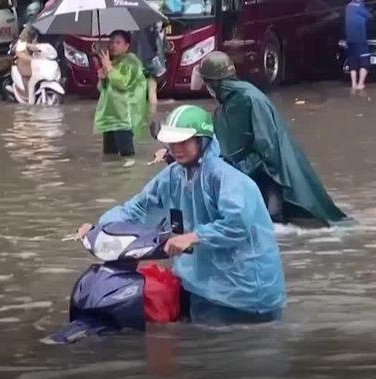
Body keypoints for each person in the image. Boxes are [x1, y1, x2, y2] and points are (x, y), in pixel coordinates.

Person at [77, 105, 286, 325]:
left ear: (201, 140)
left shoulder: (228, 179)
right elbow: (137, 208)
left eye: (183, 142)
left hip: (245, 295)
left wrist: (193, 237)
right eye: (172, 142)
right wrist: (100, 228)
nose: (176, 148)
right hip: (199, 284)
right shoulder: (172, 176)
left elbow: (237, 225)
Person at [176, 51, 350, 227]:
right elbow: (220, 142)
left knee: (273, 221)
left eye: (206, 82)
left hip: (269, 172)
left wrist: (237, 170)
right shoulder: (233, 101)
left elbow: (262, 146)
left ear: (214, 82)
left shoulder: (245, 99)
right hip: (260, 171)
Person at [94, 30, 149, 165]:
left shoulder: (132, 62)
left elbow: (123, 83)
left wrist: (109, 67)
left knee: (127, 155)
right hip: (110, 116)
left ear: (127, 45)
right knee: (109, 156)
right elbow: (102, 90)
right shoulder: (113, 63)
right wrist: (103, 77)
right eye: (111, 42)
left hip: (124, 116)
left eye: (118, 42)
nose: (113, 45)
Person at [345, 0, 372, 91]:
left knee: (353, 62)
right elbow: (370, 16)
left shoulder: (348, 6)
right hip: (360, 40)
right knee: (365, 63)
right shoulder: (359, 6)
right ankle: (360, 84)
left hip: (350, 40)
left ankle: (353, 84)